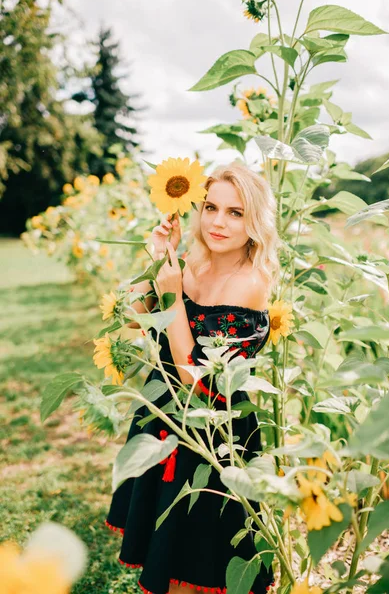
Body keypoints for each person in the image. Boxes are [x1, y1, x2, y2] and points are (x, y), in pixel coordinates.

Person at [105, 162, 281, 594]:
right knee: (168, 547)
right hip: (165, 418)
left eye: (235, 212)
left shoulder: (250, 283)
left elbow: (193, 378)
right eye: (210, 207)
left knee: (199, 556)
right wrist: (156, 255)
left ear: (254, 222)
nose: (218, 222)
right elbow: (133, 319)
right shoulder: (191, 263)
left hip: (212, 431)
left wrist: (171, 294)